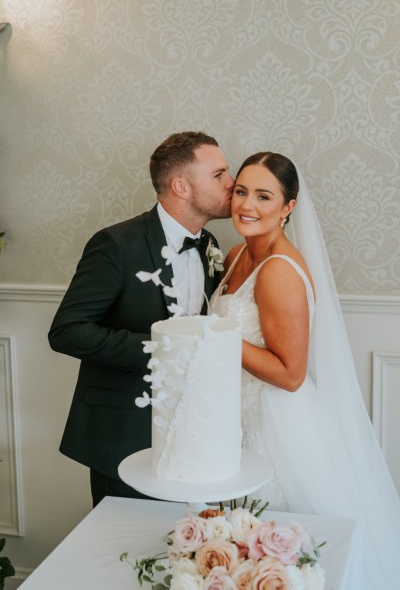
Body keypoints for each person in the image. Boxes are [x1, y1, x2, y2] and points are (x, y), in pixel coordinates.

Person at [209, 152, 400, 589]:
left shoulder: (278, 270)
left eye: (263, 196)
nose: (247, 205)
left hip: (272, 422)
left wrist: (213, 338)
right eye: (241, 192)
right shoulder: (238, 254)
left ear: (288, 207)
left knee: (271, 546)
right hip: (230, 413)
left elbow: (291, 374)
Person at [48, 131, 234, 507]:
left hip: (191, 432)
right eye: (219, 175)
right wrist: (165, 348)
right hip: (124, 434)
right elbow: (66, 331)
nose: (232, 184)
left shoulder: (210, 245)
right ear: (181, 186)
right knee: (125, 553)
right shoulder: (116, 245)